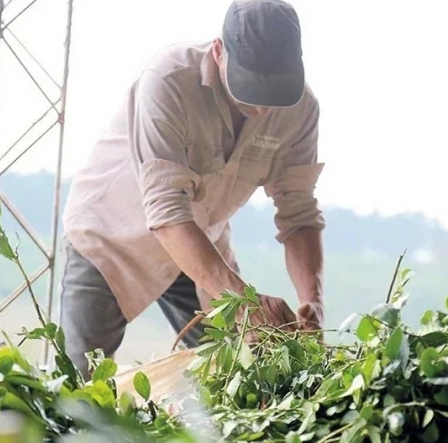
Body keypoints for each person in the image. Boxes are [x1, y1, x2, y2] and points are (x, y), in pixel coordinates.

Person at [59, 0, 326, 376]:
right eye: (250, 88)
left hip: (201, 242)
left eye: (274, 92)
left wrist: (311, 301)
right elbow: (167, 211)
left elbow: (298, 211)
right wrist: (245, 302)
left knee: (238, 375)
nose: (264, 108)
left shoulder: (300, 110)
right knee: (79, 386)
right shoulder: (167, 80)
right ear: (219, 52)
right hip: (112, 238)